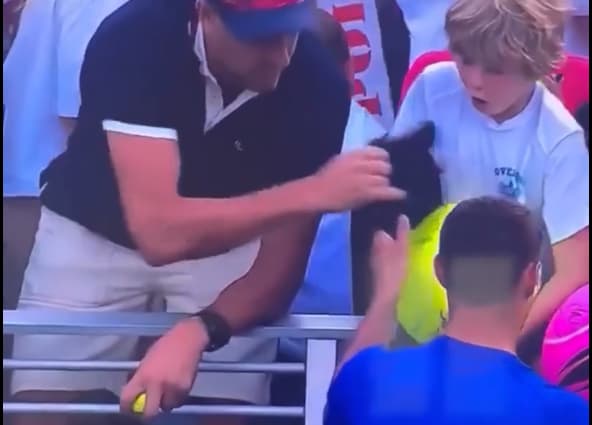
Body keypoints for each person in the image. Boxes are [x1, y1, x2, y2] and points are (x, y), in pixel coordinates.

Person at [9, 0, 406, 424]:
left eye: (289, 31)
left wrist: (201, 330)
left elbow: (279, 269)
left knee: (226, 410)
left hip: (229, 243)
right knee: (42, 411)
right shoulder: (135, 37)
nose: (281, 54)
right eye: (260, 36)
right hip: (91, 229)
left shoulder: (318, 82)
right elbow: (159, 234)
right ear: (205, 13)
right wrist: (311, 192)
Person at [390, 0, 589, 359]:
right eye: (465, 59)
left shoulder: (560, 140)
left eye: (495, 69)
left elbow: (573, 271)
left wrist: (499, 341)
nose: (475, 80)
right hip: (420, 315)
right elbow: (389, 210)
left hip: (512, 334)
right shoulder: (430, 89)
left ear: (534, 64)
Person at [325, 197, 589, 425]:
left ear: (439, 271)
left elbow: (340, 397)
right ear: (531, 278)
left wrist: (387, 293)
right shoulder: (564, 414)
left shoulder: (364, 379)